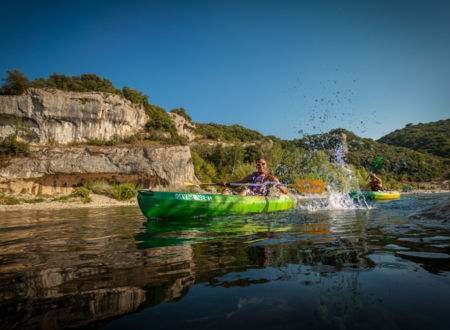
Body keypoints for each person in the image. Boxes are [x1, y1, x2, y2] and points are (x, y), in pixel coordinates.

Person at [220, 158, 288, 196]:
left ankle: (235, 206)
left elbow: (284, 191)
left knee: (245, 190)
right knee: (225, 191)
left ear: (266, 166)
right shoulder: (250, 176)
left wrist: (277, 186)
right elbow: (237, 184)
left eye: (263, 164)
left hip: (259, 197)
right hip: (247, 195)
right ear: (256, 167)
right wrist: (226, 184)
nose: (261, 166)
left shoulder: (270, 177)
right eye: (259, 164)